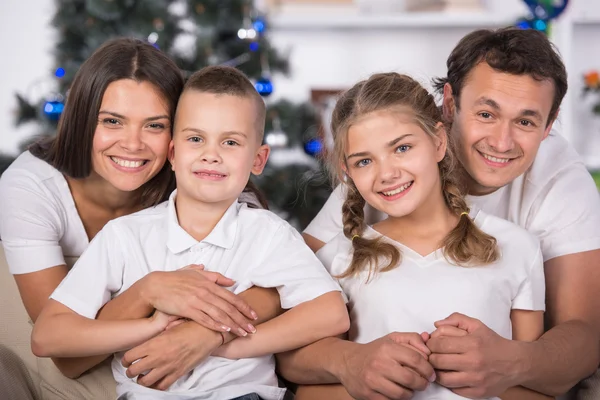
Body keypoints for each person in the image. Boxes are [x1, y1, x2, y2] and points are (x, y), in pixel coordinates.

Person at [277, 27, 600, 399]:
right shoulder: (386, 166)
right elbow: (288, 290)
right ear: (449, 104)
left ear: (550, 123)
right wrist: (351, 361)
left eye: (526, 121)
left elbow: (582, 334)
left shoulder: (554, 192)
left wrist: (509, 363)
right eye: (486, 113)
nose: (501, 141)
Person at [31, 65, 350, 400]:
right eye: (196, 139)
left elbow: (330, 313)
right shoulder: (124, 236)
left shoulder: (268, 233)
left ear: (258, 159)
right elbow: (47, 337)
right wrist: (152, 326)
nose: (210, 155)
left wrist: (226, 345)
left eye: (230, 142)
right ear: (172, 153)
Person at [0, 38, 281, 399]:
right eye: (112, 121)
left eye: (154, 125)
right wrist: (150, 289)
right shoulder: (31, 186)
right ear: (83, 119)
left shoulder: (203, 179)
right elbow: (68, 357)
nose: (132, 144)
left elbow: (277, 286)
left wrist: (208, 333)